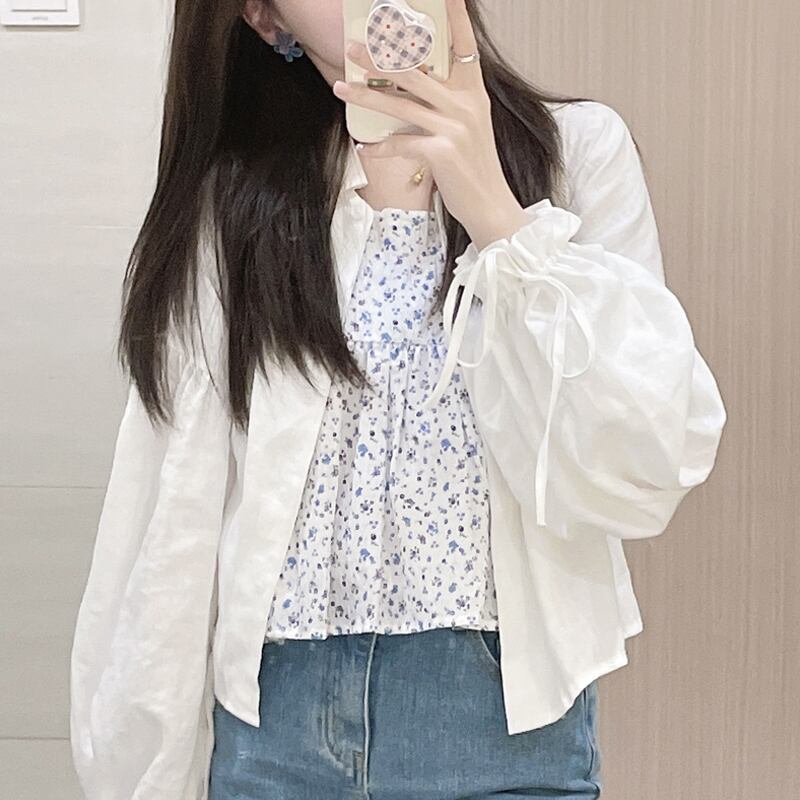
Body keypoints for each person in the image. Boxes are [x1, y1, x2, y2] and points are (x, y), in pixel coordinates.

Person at [69, 1, 728, 799]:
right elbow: (172, 515)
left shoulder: (575, 153)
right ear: (266, 18)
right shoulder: (235, 201)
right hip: (274, 727)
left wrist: (499, 219)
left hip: (500, 729)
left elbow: (645, 462)